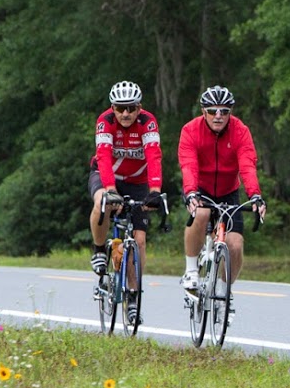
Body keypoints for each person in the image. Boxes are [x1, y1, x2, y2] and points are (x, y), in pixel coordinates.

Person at [178, 85, 266, 294]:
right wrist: (191, 192)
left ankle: (224, 291)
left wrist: (255, 195)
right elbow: (188, 165)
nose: (218, 116)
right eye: (212, 111)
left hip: (228, 191)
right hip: (200, 188)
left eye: (224, 111)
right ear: (203, 112)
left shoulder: (240, 131)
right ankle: (191, 270)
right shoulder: (190, 130)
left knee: (235, 245)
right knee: (202, 213)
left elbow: (247, 165)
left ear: (230, 113)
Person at [88, 80, 162, 325]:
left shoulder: (148, 122)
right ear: (113, 108)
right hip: (107, 176)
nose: (126, 114)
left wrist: (154, 191)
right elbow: (104, 157)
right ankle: (99, 249)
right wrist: (110, 189)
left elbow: (153, 156)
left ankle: (133, 296)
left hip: (138, 181)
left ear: (139, 108)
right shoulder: (105, 121)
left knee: (138, 240)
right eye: (120, 109)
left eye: (131, 108)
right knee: (103, 201)